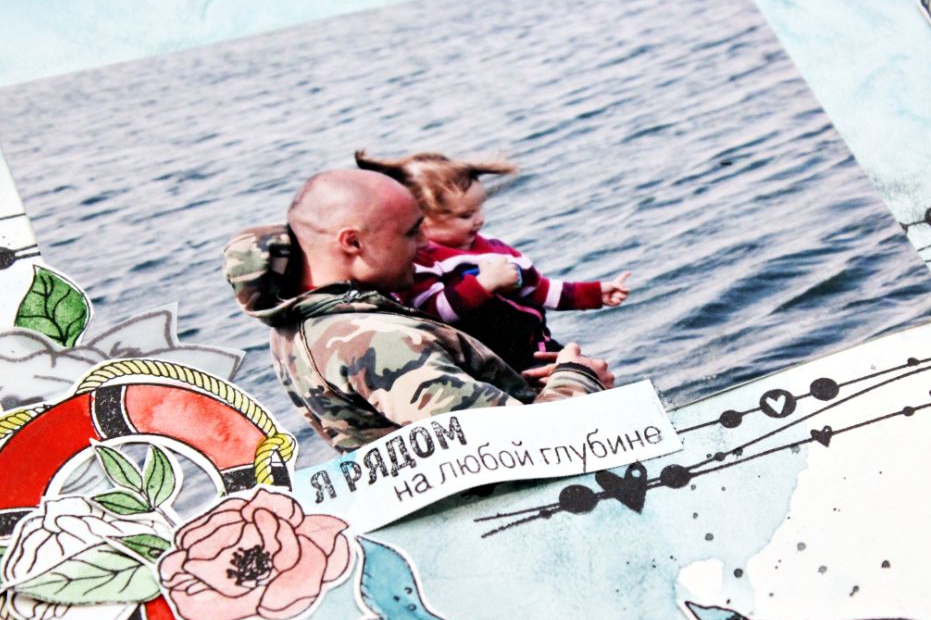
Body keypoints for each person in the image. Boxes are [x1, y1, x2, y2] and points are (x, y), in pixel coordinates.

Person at [224, 169, 615, 453]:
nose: (426, 244)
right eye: (411, 232)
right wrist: (580, 377)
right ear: (353, 242)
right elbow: (516, 446)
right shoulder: (372, 341)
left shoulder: (298, 325)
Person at [353, 151, 631, 372]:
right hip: (494, 364)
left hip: (538, 347)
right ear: (421, 220)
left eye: (478, 209)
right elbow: (433, 311)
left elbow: (539, 289)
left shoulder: (492, 247)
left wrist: (595, 294)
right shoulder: (424, 262)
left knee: (586, 375)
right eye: (465, 215)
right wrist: (484, 284)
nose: (479, 220)